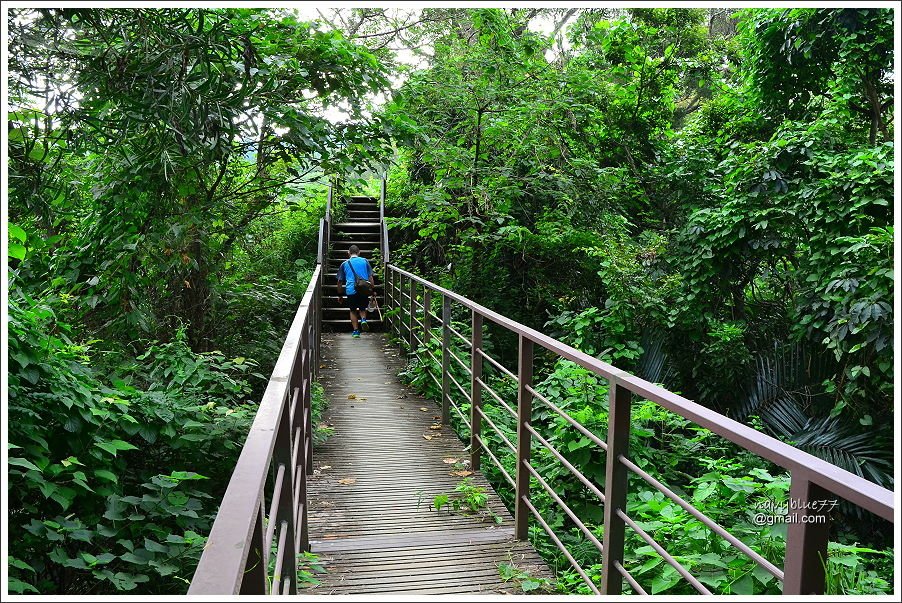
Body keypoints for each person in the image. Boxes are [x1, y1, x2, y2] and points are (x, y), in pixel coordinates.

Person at [337, 245, 375, 338]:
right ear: (359, 252)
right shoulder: (365, 261)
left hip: (350, 290)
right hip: (364, 288)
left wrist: (340, 294)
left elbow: (339, 281)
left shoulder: (344, 264)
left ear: (348, 253)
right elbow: (370, 277)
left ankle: (356, 331)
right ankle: (363, 319)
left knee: (353, 310)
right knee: (362, 308)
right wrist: (372, 290)